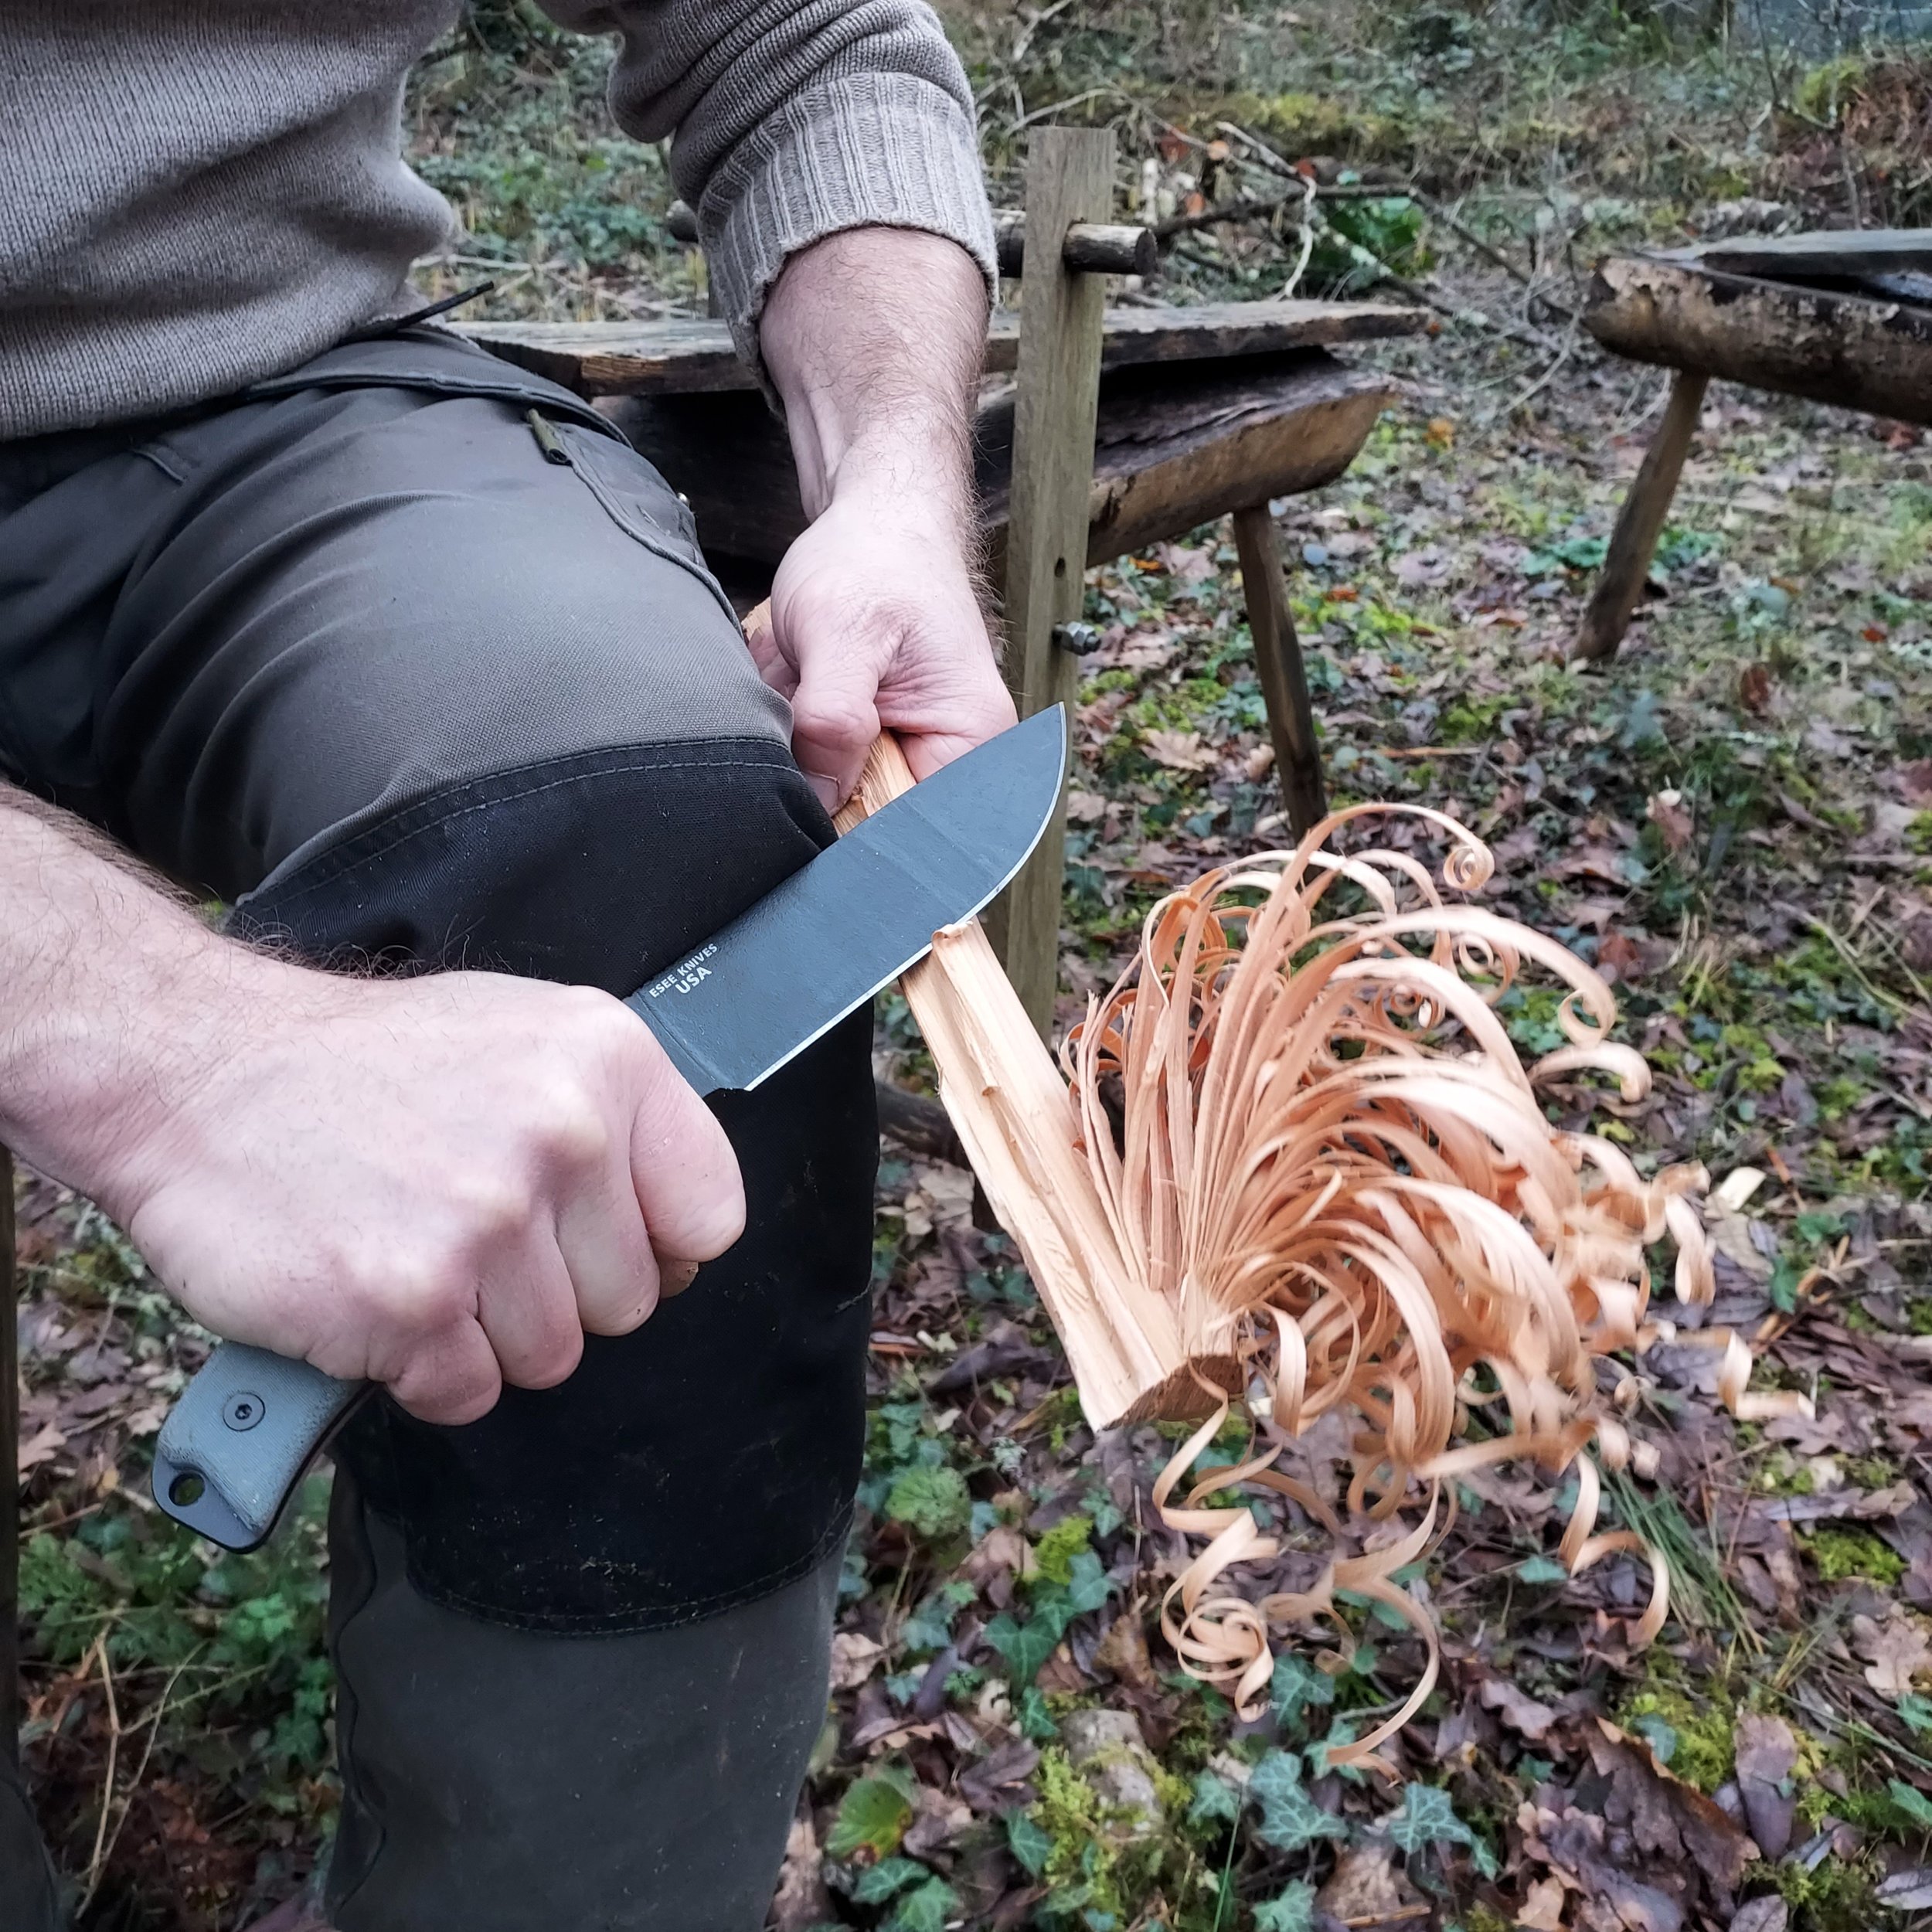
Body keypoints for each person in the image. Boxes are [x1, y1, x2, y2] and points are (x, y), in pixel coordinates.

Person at [0, 3, 1015, 1926]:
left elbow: (805, 40)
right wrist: (169, 1051)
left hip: (274, 404)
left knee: (651, 837)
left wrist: (889, 474)